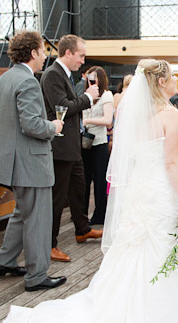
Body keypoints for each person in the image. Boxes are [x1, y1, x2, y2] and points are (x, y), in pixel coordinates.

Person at [0, 58, 178, 323]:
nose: (176, 80)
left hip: (139, 191)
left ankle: (147, 301)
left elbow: (127, 155)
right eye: (172, 76)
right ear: (162, 81)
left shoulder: (141, 114)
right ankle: (152, 313)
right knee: (156, 246)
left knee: (140, 247)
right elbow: (168, 164)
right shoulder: (171, 115)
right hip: (159, 189)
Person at [0, 31, 65, 291]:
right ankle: (36, 276)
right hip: (31, 163)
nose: (45, 56)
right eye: (43, 51)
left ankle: (6, 262)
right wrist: (53, 126)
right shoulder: (28, 81)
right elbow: (31, 124)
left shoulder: (5, 79)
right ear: (33, 53)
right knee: (38, 220)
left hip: (12, 162)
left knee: (22, 213)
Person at [40, 34, 103, 263]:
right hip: (59, 146)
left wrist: (85, 99)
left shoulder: (64, 75)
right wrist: (87, 98)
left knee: (79, 187)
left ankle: (82, 229)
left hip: (72, 145)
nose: (82, 61)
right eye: (81, 55)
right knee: (58, 198)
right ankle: (49, 244)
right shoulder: (52, 75)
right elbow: (62, 108)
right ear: (68, 53)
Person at [82, 66, 114, 224]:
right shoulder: (86, 95)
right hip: (85, 143)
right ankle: (81, 215)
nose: (92, 81)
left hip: (100, 143)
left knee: (100, 181)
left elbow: (108, 121)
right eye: (89, 78)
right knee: (84, 180)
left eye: (95, 78)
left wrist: (87, 121)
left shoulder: (107, 95)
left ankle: (99, 215)